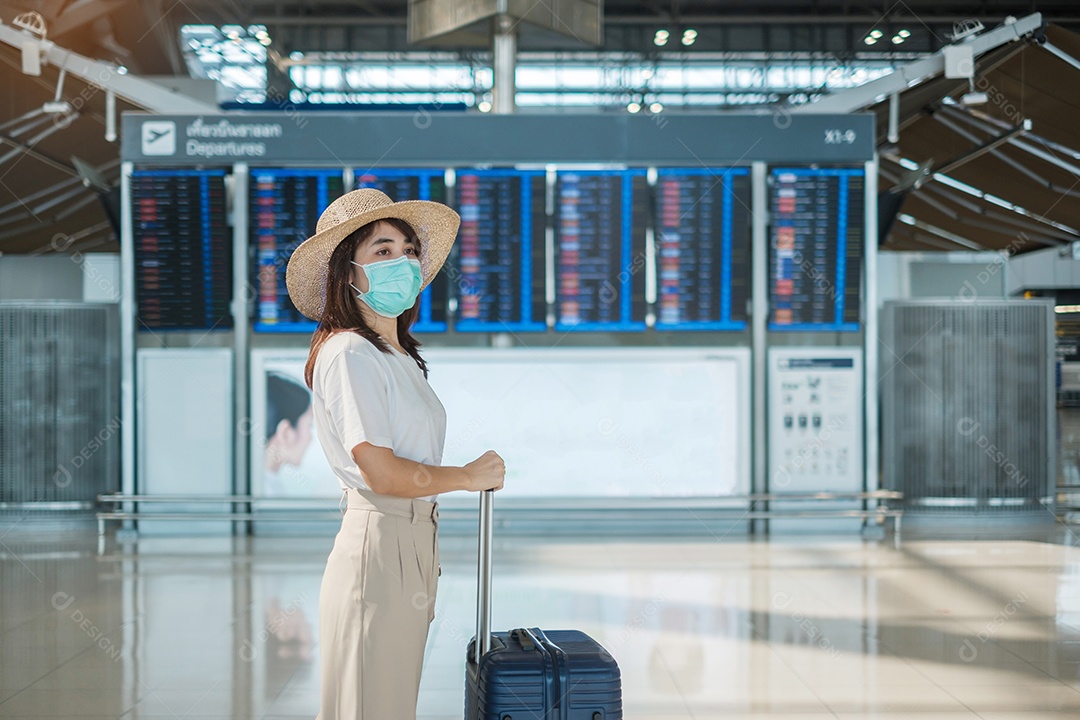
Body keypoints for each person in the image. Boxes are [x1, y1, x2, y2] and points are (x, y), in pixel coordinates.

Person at [285, 188, 506, 720]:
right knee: (370, 707)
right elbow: (381, 472)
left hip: (411, 543)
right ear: (347, 272)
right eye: (383, 251)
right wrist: (466, 476)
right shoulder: (349, 353)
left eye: (409, 250)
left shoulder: (397, 355)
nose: (402, 262)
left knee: (388, 704)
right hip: (379, 545)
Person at [263, 371, 315, 496]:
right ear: (285, 432)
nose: (310, 438)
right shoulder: (267, 492)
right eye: (309, 426)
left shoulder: (267, 486)